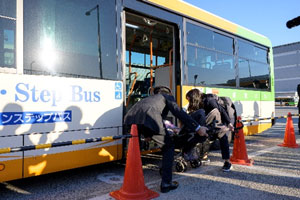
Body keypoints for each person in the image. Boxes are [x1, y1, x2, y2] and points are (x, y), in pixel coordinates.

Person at [124, 86, 208, 193]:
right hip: (149, 119)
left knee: (135, 152)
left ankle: (132, 184)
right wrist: (198, 128)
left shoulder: (148, 99)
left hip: (129, 120)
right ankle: (166, 183)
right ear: (169, 93)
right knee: (168, 147)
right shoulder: (166, 97)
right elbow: (178, 112)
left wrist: (148, 134)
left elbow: (144, 114)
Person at [186, 88, 234, 172]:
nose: (189, 102)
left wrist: (229, 123)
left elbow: (220, 111)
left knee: (222, 136)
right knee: (205, 135)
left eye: (190, 100)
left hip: (221, 119)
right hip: (210, 121)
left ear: (194, 97)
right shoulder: (199, 103)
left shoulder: (209, 101)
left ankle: (227, 162)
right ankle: (203, 156)